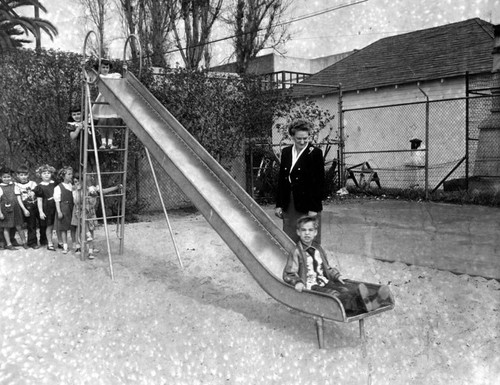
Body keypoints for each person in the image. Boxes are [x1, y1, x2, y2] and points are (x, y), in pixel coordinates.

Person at [283, 215, 391, 314]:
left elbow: (326, 267)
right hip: (311, 287)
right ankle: (365, 304)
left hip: (324, 281)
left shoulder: (318, 249)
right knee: (333, 295)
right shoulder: (296, 252)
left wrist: (336, 275)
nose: (307, 233)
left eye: (310, 230)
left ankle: (370, 300)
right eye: (303, 230)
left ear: (315, 232)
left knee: (345, 290)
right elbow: (289, 273)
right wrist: (297, 282)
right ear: (298, 232)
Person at [275, 119, 325, 244]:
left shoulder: (315, 153)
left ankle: (310, 263)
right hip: (289, 202)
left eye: (305, 138)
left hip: (308, 203)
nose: (302, 142)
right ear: (292, 137)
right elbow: (282, 180)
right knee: (290, 237)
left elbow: (319, 183)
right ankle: (294, 262)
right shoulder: (286, 152)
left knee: (308, 238)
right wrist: (279, 204)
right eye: (298, 138)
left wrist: (314, 208)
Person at [74, 175, 122, 260]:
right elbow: (77, 201)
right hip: (83, 211)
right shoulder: (78, 190)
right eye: (88, 177)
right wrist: (80, 190)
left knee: (91, 231)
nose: (90, 179)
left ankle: (90, 252)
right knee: (85, 227)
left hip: (91, 212)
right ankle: (85, 238)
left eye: (91, 178)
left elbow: (103, 191)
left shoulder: (93, 188)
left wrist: (115, 187)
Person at [91, 59, 122, 150]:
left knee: (112, 121)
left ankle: (110, 143)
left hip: (111, 100)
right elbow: (93, 77)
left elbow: (118, 75)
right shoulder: (98, 76)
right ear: (99, 68)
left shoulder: (111, 75)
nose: (105, 69)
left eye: (107, 67)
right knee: (102, 121)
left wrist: (124, 69)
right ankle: (103, 143)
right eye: (103, 67)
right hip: (102, 99)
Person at [0, 167, 28, 250]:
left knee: (19, 226)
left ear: (11, 177)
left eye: (8, 177)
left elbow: (18, 198)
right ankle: (8, 244)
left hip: (16, 209)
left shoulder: (14, 185)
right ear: (0, 178)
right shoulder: (0, 187)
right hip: (5, 210)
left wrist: (24, 209)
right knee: (6, 227)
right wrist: (0, 213)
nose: (7, 179)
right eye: (4, 177)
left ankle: (24, 242)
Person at [15, 165, 40, 249]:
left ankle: (36, 241)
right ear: (17, 176)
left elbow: (37, 191)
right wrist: (24, 209)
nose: (23, 177)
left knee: (34, 224)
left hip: (34, 205)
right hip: (24, 207)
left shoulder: (33, 183)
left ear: (28, 174)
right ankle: (27, 242)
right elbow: (19, 199)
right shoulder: (17, 185)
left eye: (25, 175)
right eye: (21, 175)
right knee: (26, 225)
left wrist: (33, 191)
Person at [34, 164, 58, 251]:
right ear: (40, 175)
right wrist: (40, 211)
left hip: (56, 206)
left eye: (48, 173)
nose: (46, 174)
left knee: (57, 225)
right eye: (44, 173)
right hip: (47, 208)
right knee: (49, 226)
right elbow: (39, 200)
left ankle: (61, 242)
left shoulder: (54, 184)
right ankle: (50, 243)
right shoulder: (39, 187)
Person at [54, 166, 75, 254]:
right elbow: (57, 200)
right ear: (63, 176)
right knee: (63, 228)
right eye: (69, 174)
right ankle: (65, 246)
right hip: (63, 208)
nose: (71, 176)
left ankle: (75, 245)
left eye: (71, 174)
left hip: (72, 208)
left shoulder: (72, 186)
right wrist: (59, 211)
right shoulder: (58, 187)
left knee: (73, 226)